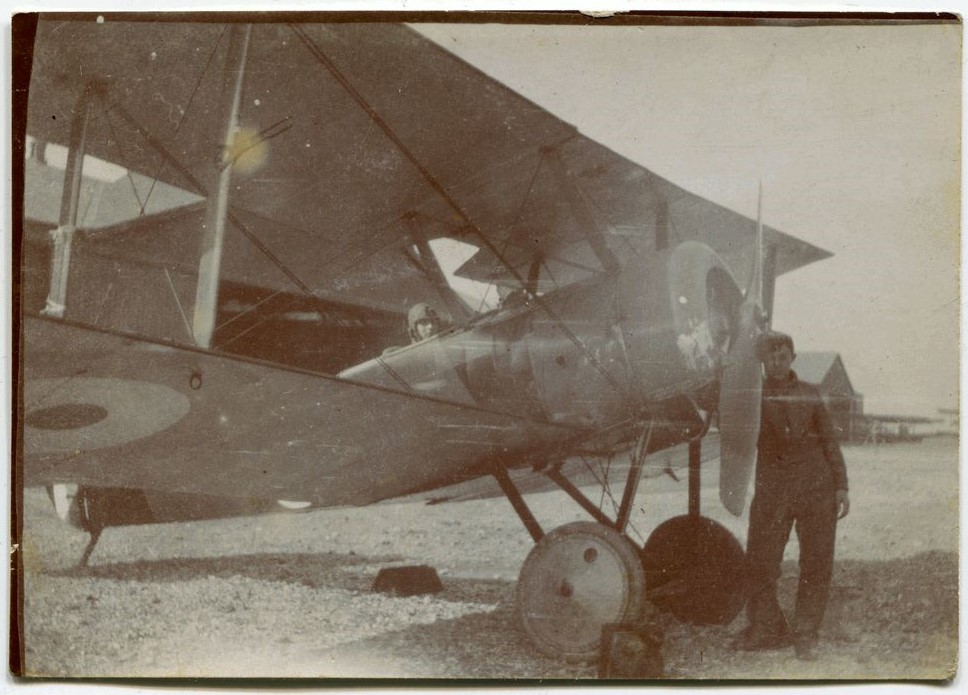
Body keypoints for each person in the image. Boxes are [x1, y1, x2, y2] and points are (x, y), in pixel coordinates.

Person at [735, 330, 850, 661]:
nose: (777, 362)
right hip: (773, 492)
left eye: (782, 355)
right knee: (760, 561)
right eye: (770, 357)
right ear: (762, 361)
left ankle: (805, 635)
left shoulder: (811, 395)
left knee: (816, 562)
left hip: (818, 490)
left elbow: (829, 441)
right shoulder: (750, 398)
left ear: (792, 358)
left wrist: (841, 486)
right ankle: (766, 629)